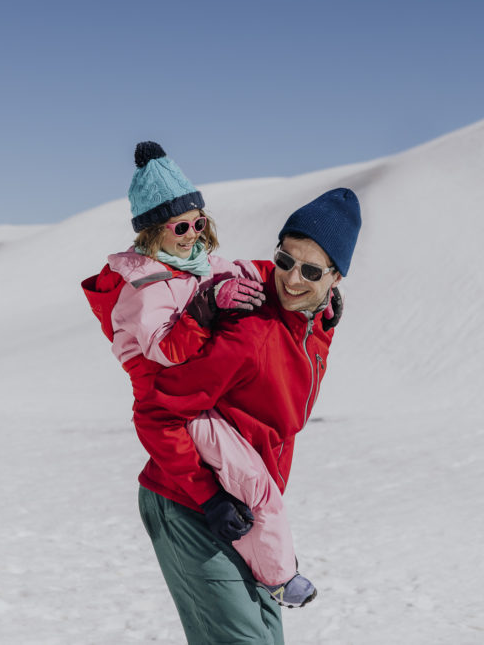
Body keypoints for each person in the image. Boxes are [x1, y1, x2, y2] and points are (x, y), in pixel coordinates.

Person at [81, 141, 323, 611]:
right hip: (179, 405)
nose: (192, 233)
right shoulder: (145, 289)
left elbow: (245, 271)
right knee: (255, 486)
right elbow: (167, 351)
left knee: (258, 479)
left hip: (202, 399)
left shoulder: (192, 265)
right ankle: (279, 577)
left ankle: (269, 570)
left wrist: (306, 289)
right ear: (153, 231)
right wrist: (208, 306)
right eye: (180, 226)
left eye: (199, 222)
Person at [134, 187, 361, 644]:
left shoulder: (311, 322)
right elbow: (158, 412)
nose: (292, 279)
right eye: (285, 260)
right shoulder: (248, 325)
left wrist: (324, 326)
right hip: (190, 503)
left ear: (335, 278)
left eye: (311, 271)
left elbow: (284, 399)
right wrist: (209, 500)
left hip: (249, 509)